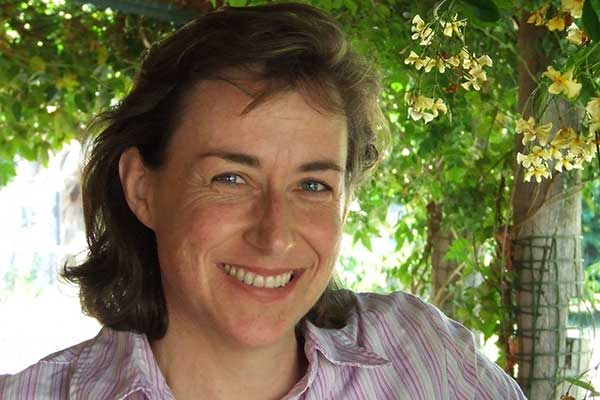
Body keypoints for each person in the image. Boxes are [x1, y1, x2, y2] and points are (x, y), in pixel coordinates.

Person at [0, 3, 527, 399]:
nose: (275, 235)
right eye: (231, 178)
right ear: (143, 188)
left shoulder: (425, 358)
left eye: (313, 185)